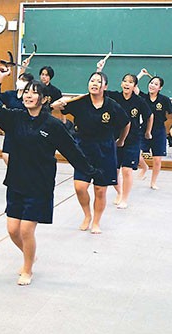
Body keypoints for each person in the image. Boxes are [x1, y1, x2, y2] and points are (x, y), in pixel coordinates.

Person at [0, 72, 99, 286]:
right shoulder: (15, 117)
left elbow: (72, 151)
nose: (28, 95)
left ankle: (27, 268)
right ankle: (30, 255)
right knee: (12, 230)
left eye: (34, 93)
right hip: (16, 181)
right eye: (26, 92)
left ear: (44, 99)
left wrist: (90, 171)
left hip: (40, 184)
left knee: (26, 229)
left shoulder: (53, 125)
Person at [51, 72, 130, 234]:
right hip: (83, 150)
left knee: (100, 190)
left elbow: (126, 123)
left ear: (105, 87)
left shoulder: (112, 105)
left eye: (98, 81)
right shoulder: (80, 102)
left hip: (105, 151)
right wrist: (61, 102)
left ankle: (96, 222)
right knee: (80, 187)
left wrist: (121, 141)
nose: (94, 83)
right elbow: (55, 107)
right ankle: (87, 214)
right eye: (92, 80)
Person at [96, 61, 153, 209]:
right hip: (114, 139)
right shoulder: (114, 97)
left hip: (133, 139)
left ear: (135, 86)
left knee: (127, 170)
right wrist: (99, 70)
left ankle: (125, 199)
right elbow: (98, 89)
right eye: (125, 81)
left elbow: (150, 115)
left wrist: (147, 131)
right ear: (121, 84)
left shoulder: (139, 101)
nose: (127, 84)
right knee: (114, 172)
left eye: (130, 82)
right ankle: (120, 192)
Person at [136, 69, 172, 189]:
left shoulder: (164, 100)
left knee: (157, 159)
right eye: (151, 83)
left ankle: (153, 182)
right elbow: (133, 85)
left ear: (160, 88)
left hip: (158, 131)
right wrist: (141, 74)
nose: (152, 85)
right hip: (144, 129)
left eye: (156, 84)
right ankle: (144, 167)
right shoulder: (143, 97)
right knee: (135, 153)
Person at [0, 71, 34, 164]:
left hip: (25, 129)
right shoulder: (10, 94)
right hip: (10, 128)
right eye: (20, 79)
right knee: (5, 155)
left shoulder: (30, 98)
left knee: (22, 156)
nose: (20, 82)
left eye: (24, 80)